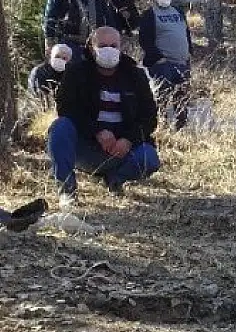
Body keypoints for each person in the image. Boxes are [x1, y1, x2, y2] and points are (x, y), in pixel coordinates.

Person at [48, 26, 160, 206]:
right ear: (92, 48)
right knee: (59, 127)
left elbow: (149, 117)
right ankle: (67, 191)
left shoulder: (136, 75)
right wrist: (97, 132)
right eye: (102, 45)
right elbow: (66, 108)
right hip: (86, 145)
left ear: (120, 47)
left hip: (123, 149)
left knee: (150, 158)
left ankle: (114, 179)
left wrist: (128, 140)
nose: (108, 49)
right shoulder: (76, 73)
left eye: (113, 45)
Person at [138, 0, 194, 129]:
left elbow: (185, 32)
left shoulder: (178, 11)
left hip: (183, 62)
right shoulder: (149, 15)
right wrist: (159, 59)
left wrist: (189, 52)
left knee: (182, 100)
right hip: (163, 64)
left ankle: (181, 129)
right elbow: (144, 40)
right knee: (162, 100)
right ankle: (159, 129)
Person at [42, 0, 117, 65]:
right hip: (69, 44)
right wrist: (49, 43)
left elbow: (109, 17)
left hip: (96, 45)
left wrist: (113, 39)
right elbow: (49, 19)